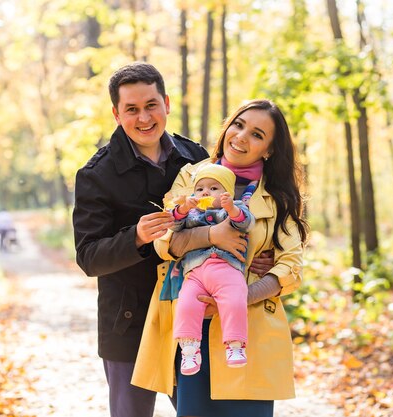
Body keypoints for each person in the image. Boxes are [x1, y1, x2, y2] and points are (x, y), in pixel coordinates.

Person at [72, 63, 271, 417]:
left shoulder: (195, 157)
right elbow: (88, 257)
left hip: (193, 315)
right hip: (130, 322)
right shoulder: (96, 174)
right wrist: (134, 237)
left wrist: (256, 255)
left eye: (151, 105)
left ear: (166, 103)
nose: (144, 117)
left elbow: (234, 215)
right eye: (131, 109)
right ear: (117, 114)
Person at [132, 99, 309, 417]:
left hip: (250, 329)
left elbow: (291, 266)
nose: (241, 137)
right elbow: (164, 241)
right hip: (191, 325)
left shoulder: (278, 197)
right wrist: (211, 236)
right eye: (238, 125)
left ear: (268, 149)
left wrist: (242, 295)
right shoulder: (191, 177)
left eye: (257, 134)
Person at [170, 163, 255, 375]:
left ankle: (235, 345)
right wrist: (182, 209)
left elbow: (246, 223)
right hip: (196, 271)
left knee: (235, 299)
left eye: (214, 188)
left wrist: (231, 209)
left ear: (226, 192)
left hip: (226, 268)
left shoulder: (234, 208)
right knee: (186, 303)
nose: (205, 192)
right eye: (200, 189)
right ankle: (189, 348)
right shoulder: (191, 213)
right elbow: (174, 226)